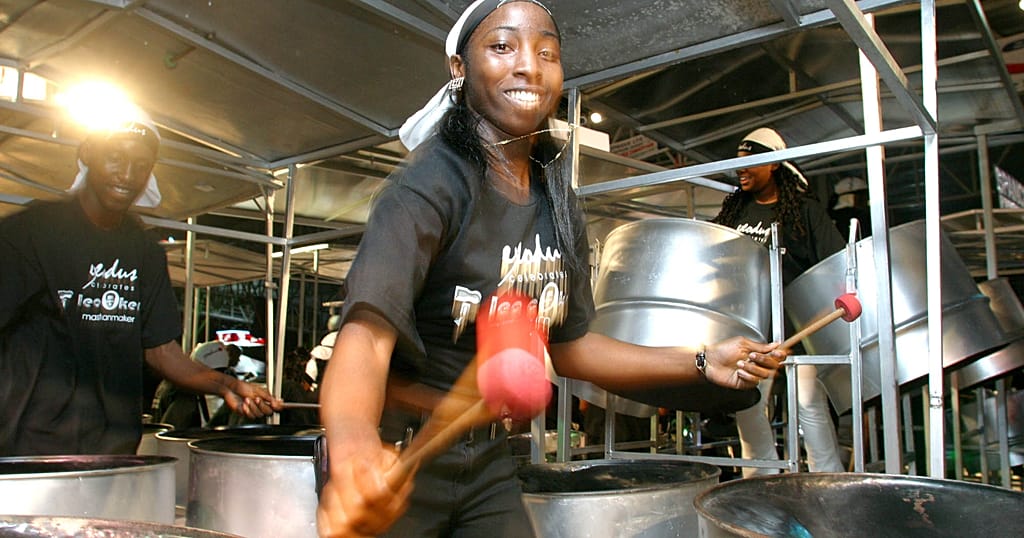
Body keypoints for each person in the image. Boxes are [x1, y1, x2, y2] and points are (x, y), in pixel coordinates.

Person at [315, 2, 786, 536]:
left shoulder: (555, 196)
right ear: (459, 68)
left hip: (489, 458)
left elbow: (572, 347)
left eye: (547, 53)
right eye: (502, 47)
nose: (529, 67)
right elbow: (365, 339)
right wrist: (354, 455)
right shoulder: (428, 186)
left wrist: (703, 361)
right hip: (396, 453)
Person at [0, 105, 282, 456]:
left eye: (141, 165)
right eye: (114, 158)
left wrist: (228, 385)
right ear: (87, 153)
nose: (127, 175)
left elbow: (162, 352)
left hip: (113, 450)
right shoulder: (30, 233)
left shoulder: (145, 250)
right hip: (29, 448)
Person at [712, 126, 847, 475]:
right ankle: (761, 480)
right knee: (749, 405)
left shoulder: (805, 211)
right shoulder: (733, 213)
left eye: (751, 162)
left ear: (774, 165)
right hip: (749, 328)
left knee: (808, 406)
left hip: (798, 329)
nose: (741, 170)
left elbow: (837, 263)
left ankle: (827, 479)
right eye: (738, 163)